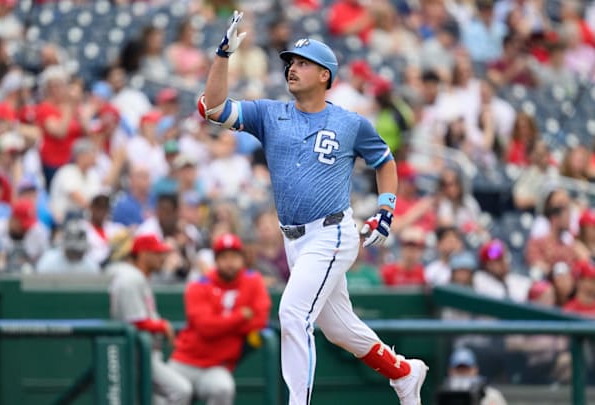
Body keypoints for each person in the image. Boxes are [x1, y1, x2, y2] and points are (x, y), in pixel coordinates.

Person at [200, 12, 427, 405]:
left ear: (325, 75)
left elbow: (385, 161)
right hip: (295, 240)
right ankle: (404, 373)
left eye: (303, 63)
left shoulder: (349, 123)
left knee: (292, 313)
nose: (293, 68)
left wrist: (386, 209)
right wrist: (223, 55)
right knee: (339, 330)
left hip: (332, 232)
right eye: (291, 62)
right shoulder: (271, 113)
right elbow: (213, 108)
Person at [168, 233, 271, 405]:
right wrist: (240, 316)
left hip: (217, 366)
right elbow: (205, 327)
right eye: (224, 257)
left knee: (223, 388)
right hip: (185, 360)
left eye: (234, 256)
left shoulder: (253, 281)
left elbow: (260, 320)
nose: (230, 262)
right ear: (216, 260)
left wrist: (220, 323)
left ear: (242, 259)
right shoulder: (199, 285)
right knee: (166, 390)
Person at [108, 234, 189, 405]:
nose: (162, 258)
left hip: (145, 353)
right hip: (137, 353)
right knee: (182, 390)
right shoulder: (130, 278)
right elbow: (135, 322)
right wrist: (162, 326)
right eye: (157, 253)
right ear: (144, 254)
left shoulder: (137, 276)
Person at [438, 347, 508, 405]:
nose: (463, 374)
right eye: (459, 370)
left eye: (466, 370)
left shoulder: (491, 395)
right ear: (450, 371)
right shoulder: (445, 395)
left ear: (475, 370)